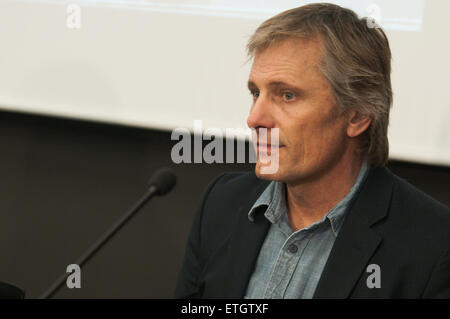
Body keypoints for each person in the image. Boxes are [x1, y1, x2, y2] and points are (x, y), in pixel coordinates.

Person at [174, 3, 450, 298]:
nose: (255, 118)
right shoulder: (222, 202)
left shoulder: (433, 246)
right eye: (256, 93)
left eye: (287, 95)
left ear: (356, 115)